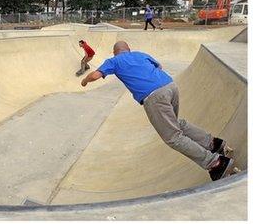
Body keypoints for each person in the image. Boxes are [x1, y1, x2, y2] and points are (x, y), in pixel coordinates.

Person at [80, 41, 233, 181]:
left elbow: (95, 75)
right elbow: (159, 66)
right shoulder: (140, 54)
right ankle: (213, 144)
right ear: (129, 49)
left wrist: (85, 80)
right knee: (175, 124)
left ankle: (216, 163)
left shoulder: (113, 61)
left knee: (173, 137)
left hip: (154, 97)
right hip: (171, 86)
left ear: (115, 52)